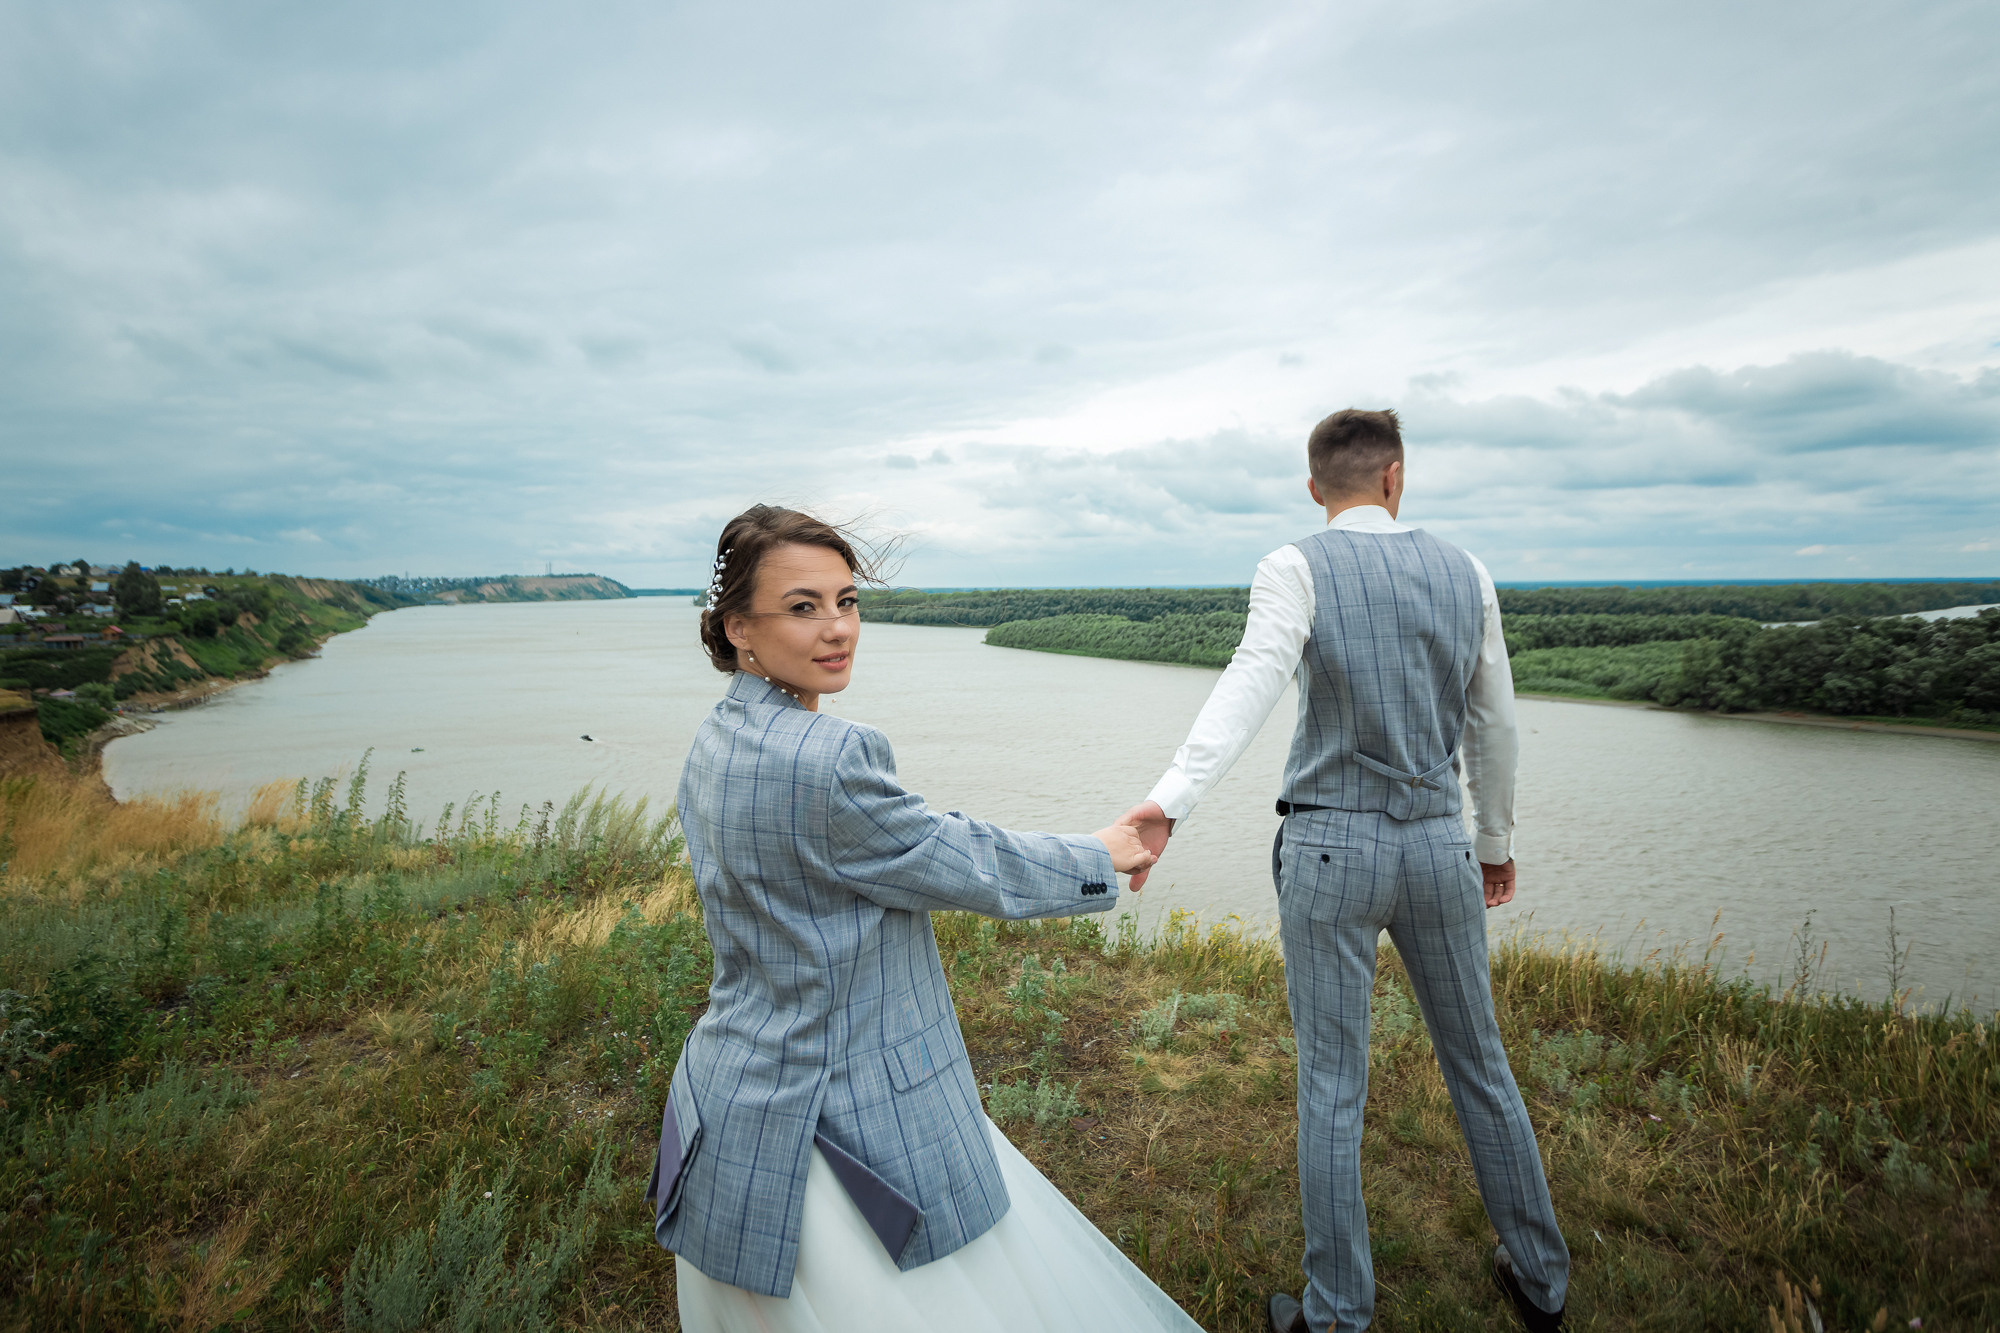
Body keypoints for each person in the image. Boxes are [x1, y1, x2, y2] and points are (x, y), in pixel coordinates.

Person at [653, 504, 1205, 1333]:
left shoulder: (717, 736)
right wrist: (1103, 852)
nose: (838, 628)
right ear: (739, 627)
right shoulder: (831, 756)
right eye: (803, 607)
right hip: (846, 1112)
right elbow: (957, 859)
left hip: (733, 1090)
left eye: (847, 600)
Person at [1121, 410, 1570, 1333]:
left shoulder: (1295, 565)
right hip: (1441, 845)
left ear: (1316, 486)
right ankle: (1540, 1277)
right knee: (1481, 1061)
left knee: (1333, 1082)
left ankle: (1337, 1313)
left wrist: (1170, 801)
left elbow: (1251, 679)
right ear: (1396, 478)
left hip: (1331, 848)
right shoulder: (1467, 570)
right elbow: (1497, 723)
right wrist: (1496, 843)